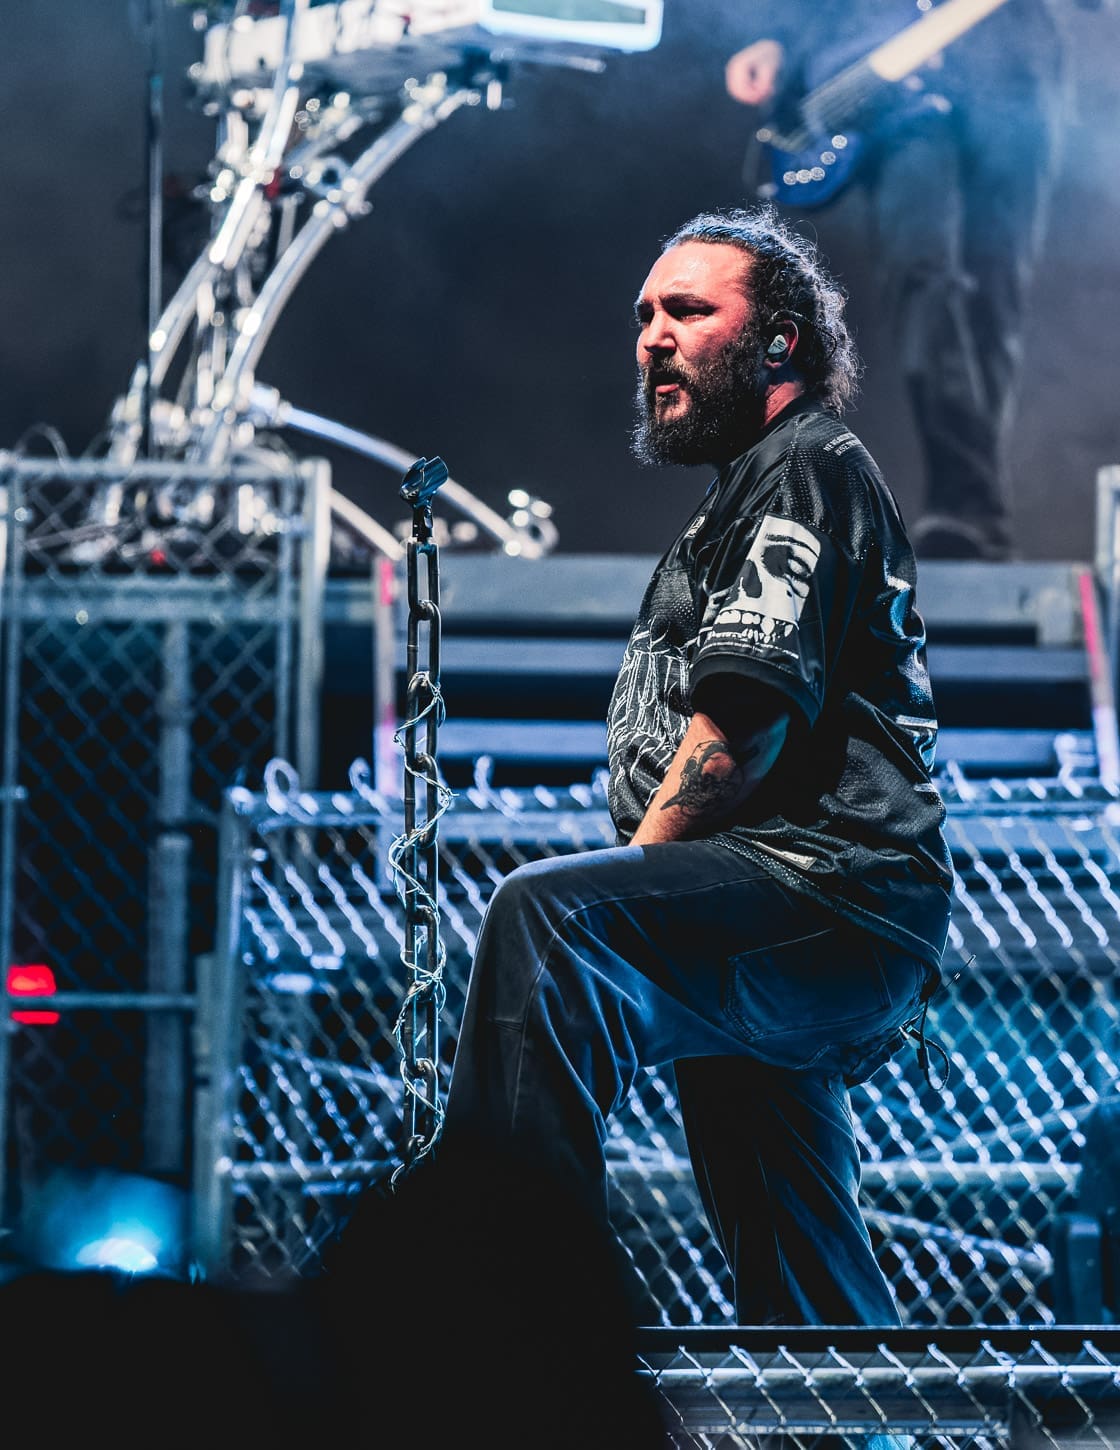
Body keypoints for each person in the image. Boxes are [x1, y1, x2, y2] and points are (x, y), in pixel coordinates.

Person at [439, 205, 954, 1335]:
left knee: (551, 922)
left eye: (686, 309)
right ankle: (862, 1418)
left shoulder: (804, 467)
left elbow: (743, 725)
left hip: (825, 892)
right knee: (794, 1239)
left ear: (776, 340)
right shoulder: (753, 486)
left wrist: (634, 886)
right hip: (789, 910)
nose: (651, 338)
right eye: (642, 316)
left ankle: (504, 1316)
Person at [724, 0, 1110, 561]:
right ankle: (969, 508)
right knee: (920, 274)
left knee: (992, 301)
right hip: (888, 85)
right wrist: (779, 38)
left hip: (1009, 73)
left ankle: (967, 509)